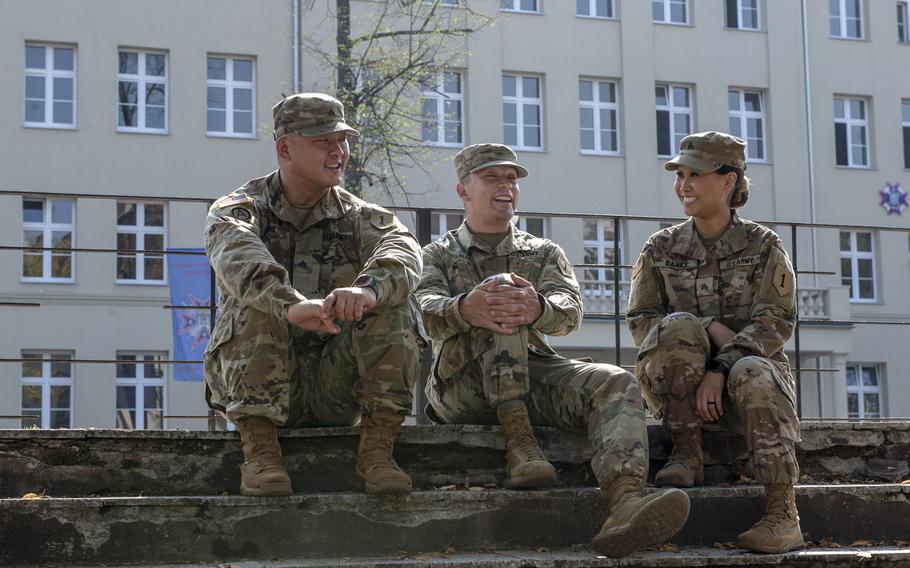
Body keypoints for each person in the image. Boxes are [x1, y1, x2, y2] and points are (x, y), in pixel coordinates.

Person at [416, 143, 690, 558]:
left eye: (511, 178)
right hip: (461, 387)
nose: (505, 186)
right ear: (463, 191)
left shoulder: (542, 252)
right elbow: (422, 315)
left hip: (531, 375)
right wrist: (465, 307)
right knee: (502, 301)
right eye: (492, 177)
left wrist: (539, 307)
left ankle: (625, 503)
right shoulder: (435, 255)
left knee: (614, 381)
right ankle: (520, 445)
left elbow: (569, 313)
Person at [203, 93, 424, 497]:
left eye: (342, 140)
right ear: (285, 147)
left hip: (333, 388)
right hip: (260, 383)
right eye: (324, 141)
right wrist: (291, 306)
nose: (338, 152)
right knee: (258, 298)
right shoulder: (239, 209)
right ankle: (260, 452)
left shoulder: (361, 216)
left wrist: (366, 291)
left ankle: (377, 451)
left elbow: (404, 252)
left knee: (392, 300)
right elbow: (239, 257)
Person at [627, 131, 802, 553]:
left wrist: (721, 368)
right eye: (680, 174)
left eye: (695, 174)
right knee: (678, 326)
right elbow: (641, 322)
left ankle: (783, 513)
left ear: (728, 181)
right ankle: (687, 453)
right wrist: (705, 326)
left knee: (755, 369)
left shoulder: (763, 246)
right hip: (679, 392)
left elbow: (776, 321)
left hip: (749, 391)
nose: (683, 184)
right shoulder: (661, 248)